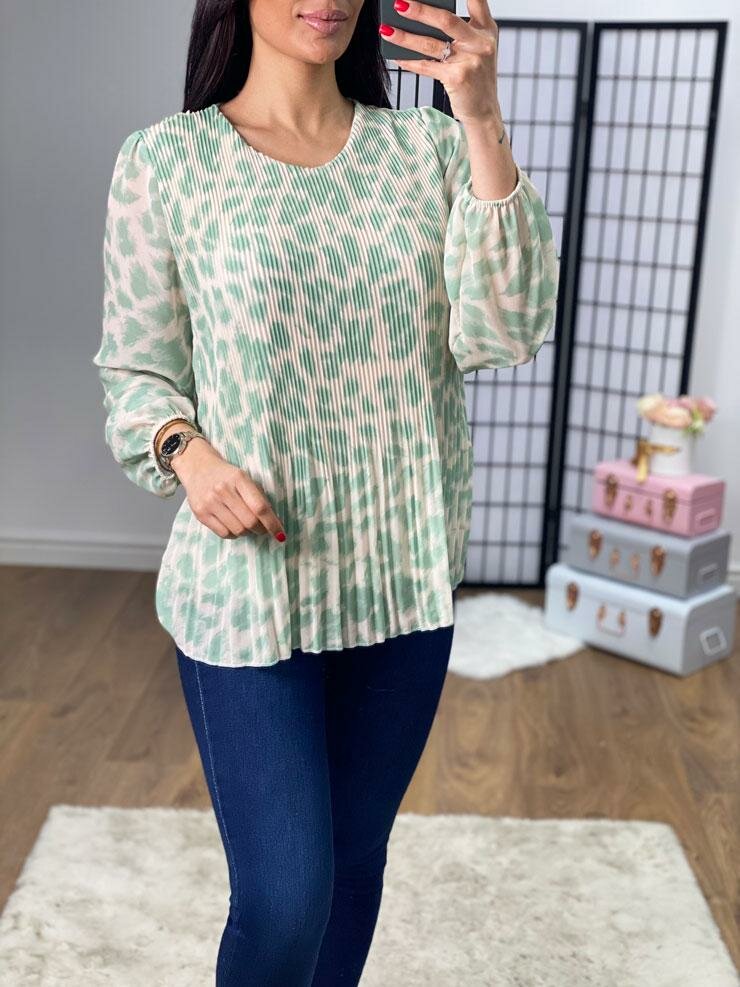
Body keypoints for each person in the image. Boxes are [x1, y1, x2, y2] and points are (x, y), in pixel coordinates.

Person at [91, 0, 560, 983]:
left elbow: (506, 330)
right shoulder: (166, 162)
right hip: (249, 588)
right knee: (286, 894)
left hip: (401, 583)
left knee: (351, 868)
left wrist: (479, 115)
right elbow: (137, 371)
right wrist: (187, 452)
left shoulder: (429, 152)